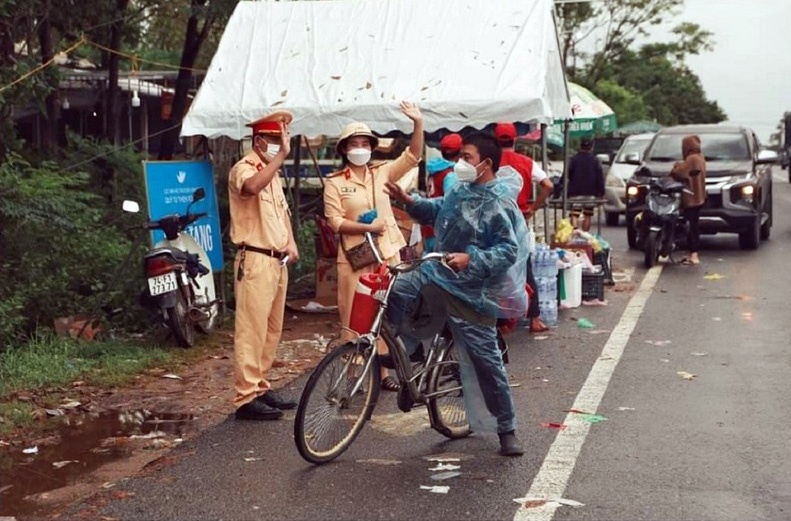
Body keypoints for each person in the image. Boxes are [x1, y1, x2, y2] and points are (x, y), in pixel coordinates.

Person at [385, 132, 529, 457]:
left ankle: (506, 428)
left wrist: (471, 259)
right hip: (438, 273)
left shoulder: (498, 203)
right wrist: (411, 203)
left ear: (486, 163)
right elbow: (439, 212)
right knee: (399, 290)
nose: (460, 163)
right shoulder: (459, 188)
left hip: (471, 291)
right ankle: (409, 359)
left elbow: (508, 250)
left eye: (467, 157)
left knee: (486, 363)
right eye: (460, 156)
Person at [323, 101, 424, 392]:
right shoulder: (334, 182)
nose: (360, 148)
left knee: (385, 312)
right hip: (355, 255)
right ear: (344, 148)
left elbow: (413, 155)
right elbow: (335, 222)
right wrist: (368, 227)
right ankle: (357, 375)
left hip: (387, 254)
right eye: (354, 143)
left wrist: (417, 123)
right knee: (355, 316)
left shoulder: (381, 172)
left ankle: (382, 372)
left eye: (365, 143)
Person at [228, 111, 300, 421]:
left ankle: (260, 385)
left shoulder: (273, 173)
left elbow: (282, 213)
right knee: (251, 328)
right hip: (255, 257)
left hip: (277, 258)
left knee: (272, 328)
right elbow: (251, 188)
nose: (280, 144)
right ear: (259, 141)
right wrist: (281, 156)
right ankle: (246, 397)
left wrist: (292, 242)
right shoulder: (244, 169)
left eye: (282, 140)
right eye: (274, 140)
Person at [494, 122, 554, 334]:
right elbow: (548, 185)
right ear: (515, 139)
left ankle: (499, 319)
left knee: (496, 269)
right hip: (519, 221)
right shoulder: (527, 162)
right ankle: (534, 318)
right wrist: (533, 208)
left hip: (494, 223)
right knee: (523, 267)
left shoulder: (489, 162)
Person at [670, 135, 707, 265]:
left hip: (691, 198)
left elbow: (678, 173)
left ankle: (694, 255)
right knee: (694, 226)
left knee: (691, 227)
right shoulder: (700, 157)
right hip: (699, 197)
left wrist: (676, 166)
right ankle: (692, 254)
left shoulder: (691, 159)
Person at [422, 133, 461, 251]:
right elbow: (451, 205)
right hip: (443, 231)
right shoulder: (451, 174)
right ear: (460, 153)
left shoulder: (434, 170)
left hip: (429, 228)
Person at [567, 138, 605, 232]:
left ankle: (575, 233)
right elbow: (599, 177)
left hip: (575, 191)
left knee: (574, 214)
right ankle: (585, 235)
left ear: (580, 146)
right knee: (587, 215)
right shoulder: (595, 160)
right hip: (590, 192)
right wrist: (601, 192)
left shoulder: (573, 159)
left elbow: (568, 174)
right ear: (591, 147)